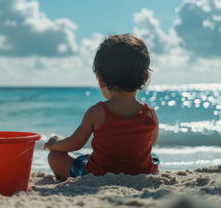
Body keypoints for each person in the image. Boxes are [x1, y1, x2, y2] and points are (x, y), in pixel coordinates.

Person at [44, 34, 160, 180]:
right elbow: (151, 143)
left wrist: (55, 144)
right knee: (153, 156)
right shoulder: (149, 114)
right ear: (144, 79)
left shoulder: (97, 112)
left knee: (54, 157)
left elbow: (74, 144)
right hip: (140, 173)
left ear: (100, 79)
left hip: (99, 175)